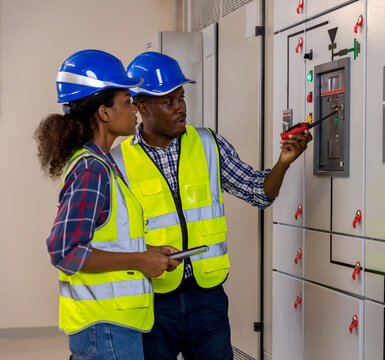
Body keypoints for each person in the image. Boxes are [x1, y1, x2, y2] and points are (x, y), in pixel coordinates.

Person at [110, 51, 311, 360]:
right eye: (168, 101)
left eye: (182, 97)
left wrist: (283, 162)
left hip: (207, 299)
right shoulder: (118, 163)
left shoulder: (208, 144)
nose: (180, 108)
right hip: (151, 300)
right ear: (142, 107)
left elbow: (259, 192)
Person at [35, 49, 180, 360]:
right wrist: (140, 261)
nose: (134, 110)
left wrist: (147, 254)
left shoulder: (103, 163)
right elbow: (65, 251)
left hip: (112, 325)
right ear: (104, 112)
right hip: (105, 329)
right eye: (127, 102)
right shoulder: (91, 169)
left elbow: (109, 237)